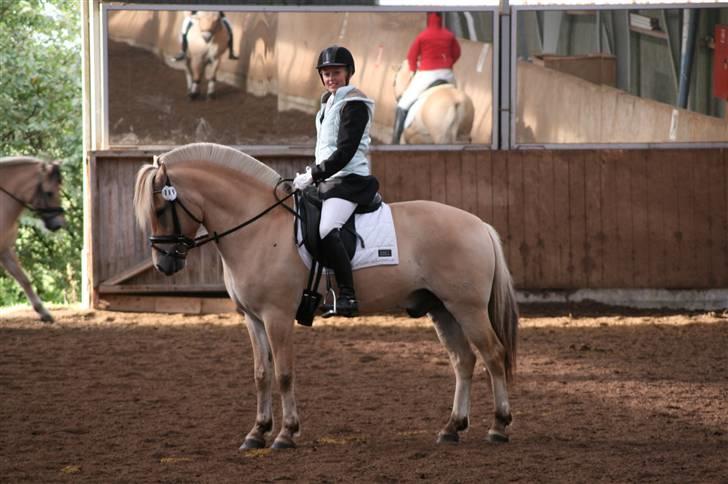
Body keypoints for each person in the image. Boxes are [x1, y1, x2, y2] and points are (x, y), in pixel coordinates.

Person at [292, 45, 379, 318]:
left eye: (336, 72)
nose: (331, 78)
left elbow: (345, 151)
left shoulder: (354, 102)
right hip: (328, 182)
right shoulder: (327, 103)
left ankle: (348, 295)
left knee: (328, 228)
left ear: (348, 73)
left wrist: (314, 174)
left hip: (349, 181)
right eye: (327, 73)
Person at [392, 12, 461, 144]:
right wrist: (448, 64)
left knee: (403, 104)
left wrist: (412, 71)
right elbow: (457, 53)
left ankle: (395, 142)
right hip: (447, 74)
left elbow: (412, 57)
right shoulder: (449, 35)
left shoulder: (423, 36)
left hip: (427, 74)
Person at [172, 11, 238, 62]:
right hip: (200, 14)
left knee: (229, 26)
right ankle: (183, 51)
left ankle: (231, 52)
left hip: (215, 14)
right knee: (185, 24)